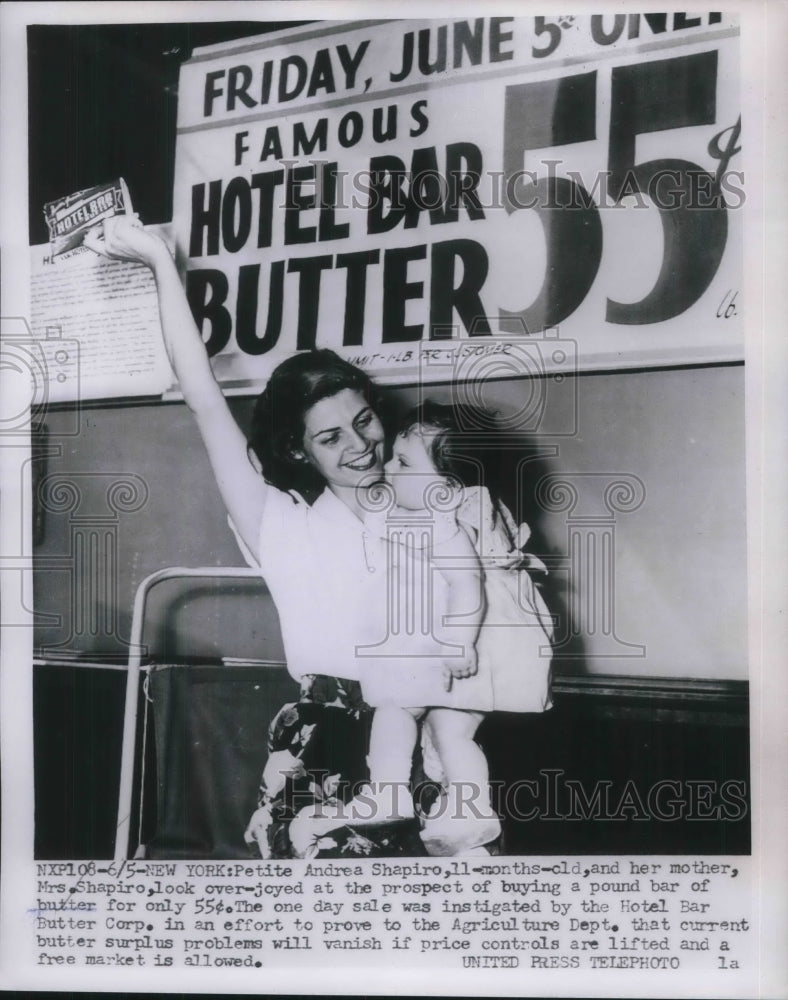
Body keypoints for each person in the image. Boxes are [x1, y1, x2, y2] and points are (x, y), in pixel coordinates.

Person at [84, 216, 502, 859]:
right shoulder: (279, 523)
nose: (360, 446)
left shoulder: (442, 504)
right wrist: (159, 264)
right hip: (324, 747)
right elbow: (202, 397)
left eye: (364, 422)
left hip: (436, 743)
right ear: (298, 451)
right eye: (330, 437)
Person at [288, 401, 554, 856]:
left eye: (404, 462)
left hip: (446, 644)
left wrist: (457, 640)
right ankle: (470, 813)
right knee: (455, 734)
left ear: (446, 489)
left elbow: (466, 580)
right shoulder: (468, 512)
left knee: (394, 710)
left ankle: (388, 792)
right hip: (476, 653)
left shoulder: (437, 521)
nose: (387, 465)